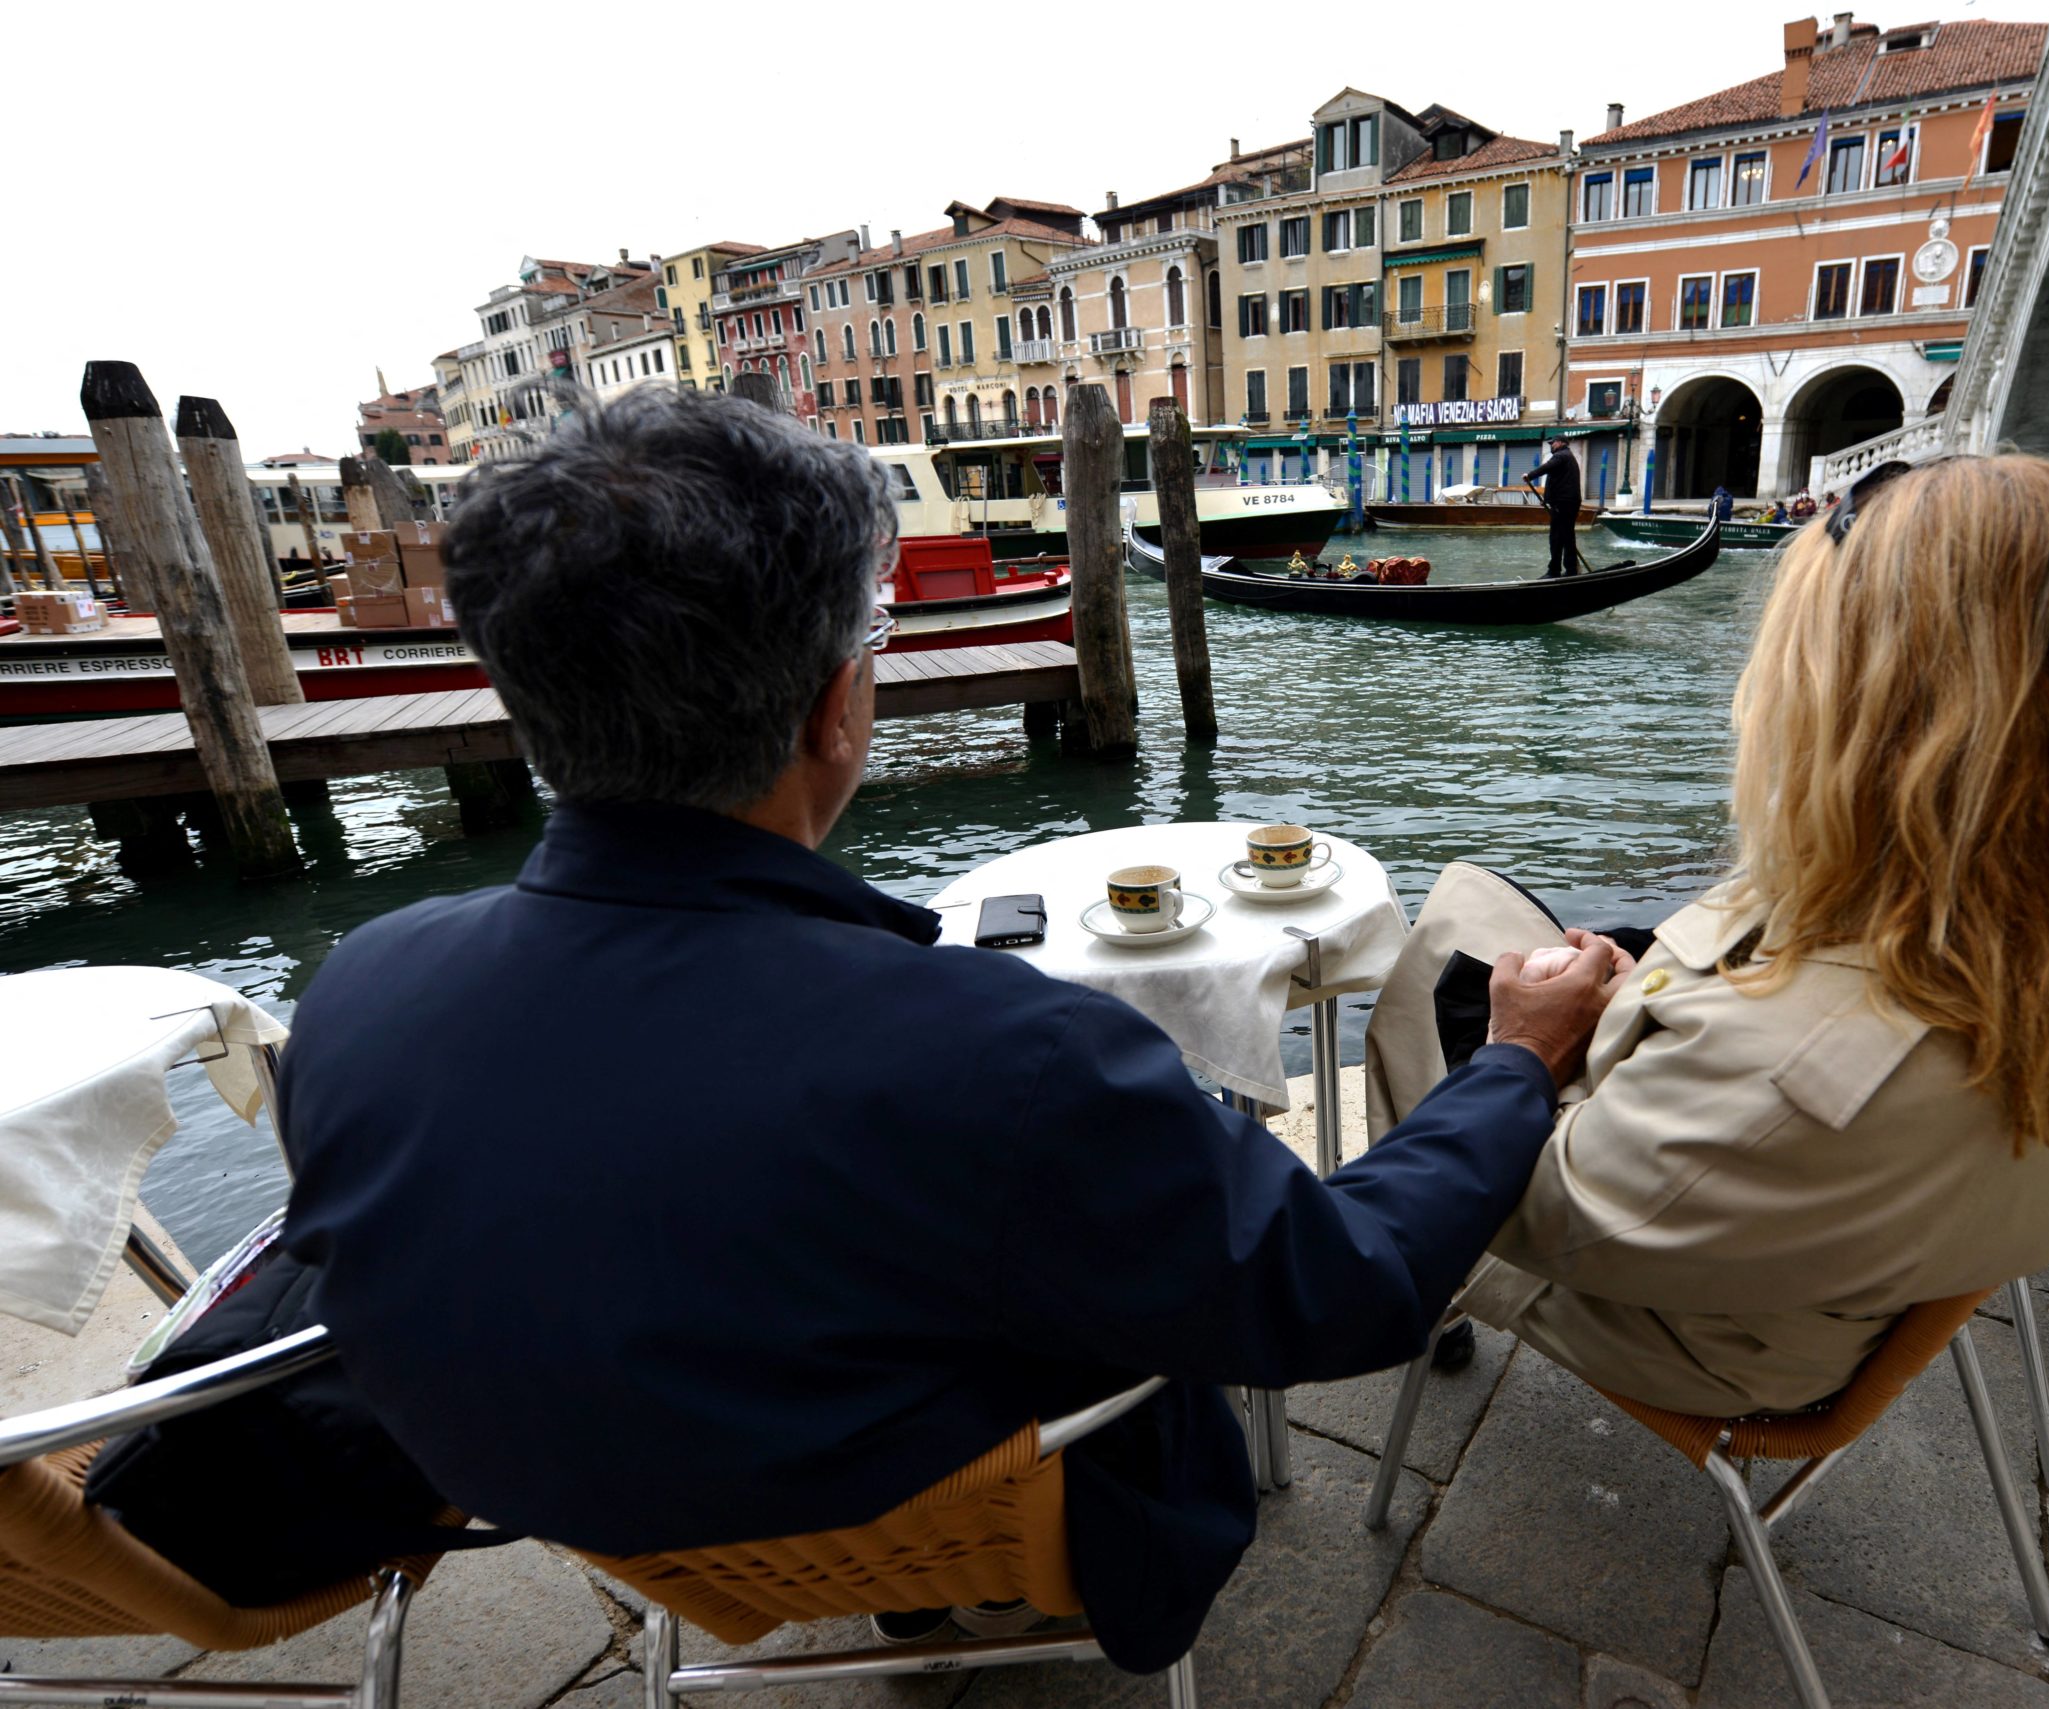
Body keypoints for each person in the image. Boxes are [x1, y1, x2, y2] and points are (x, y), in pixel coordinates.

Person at [274, 390, 1618, 1674]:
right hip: (971, 1509)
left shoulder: (358, 993)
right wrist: (1514, 1059)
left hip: (609, 1524)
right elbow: (1350, 1285)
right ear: (835, 708)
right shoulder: (1016, 1058)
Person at [1428, 454, 2049, 1417]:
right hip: (1850, 1260)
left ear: (1839, 698)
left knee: (1444, 945)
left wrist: (1526, 1050)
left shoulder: (1787, 1077)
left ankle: (1420, 1299)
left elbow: (1536, 1210)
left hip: (1697, 1332)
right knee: (1525, 941)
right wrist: (1642, 1002)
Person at [1520, 436, 1583, 577]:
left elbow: (1546, 468)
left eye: (1552, 443)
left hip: (1564, 503)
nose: (1551, 445)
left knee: (1557, 538)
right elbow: (1557, 481)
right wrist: (1548, 499)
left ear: (1560, 443)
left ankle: (1555, 571)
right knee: (1566, 537)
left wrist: (1529, 475)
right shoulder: (1567, 457)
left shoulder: (1561, 456)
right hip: (1566, 502)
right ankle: (1570, 569)